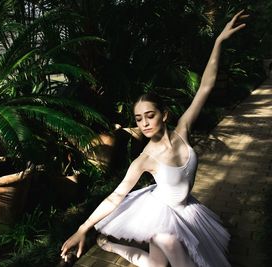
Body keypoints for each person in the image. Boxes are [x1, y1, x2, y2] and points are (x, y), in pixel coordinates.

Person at [60, 10, 249, 267]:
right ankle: (109, 242)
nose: (144, 123)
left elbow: (206, 86)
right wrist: (82, 228)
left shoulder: (183, 129)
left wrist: (218, 42)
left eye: (149, 115)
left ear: (165, 115)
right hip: (159, 214)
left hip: (184, 210)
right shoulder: (144, 159)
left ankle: (110, 245)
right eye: (138, 119)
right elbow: (115, 197)